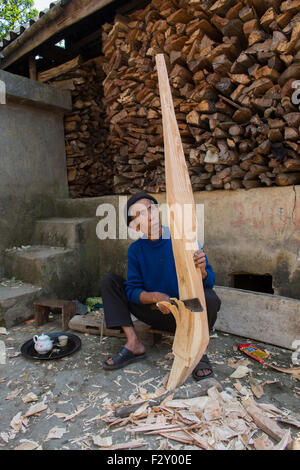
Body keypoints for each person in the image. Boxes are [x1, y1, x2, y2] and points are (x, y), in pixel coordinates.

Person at [101, 193, 221, 381]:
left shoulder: (183, 238)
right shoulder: (136, 250)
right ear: (135, 225)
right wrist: (156, 297)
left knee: (211, 299)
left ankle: (197, 350)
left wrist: (202, 270)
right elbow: (132, 291)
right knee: (110, 282)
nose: (150, 214)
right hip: (155, 312)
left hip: (185, 313)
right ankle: (133, 343)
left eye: (151, 208)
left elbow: (210, 281)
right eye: (140, 214)